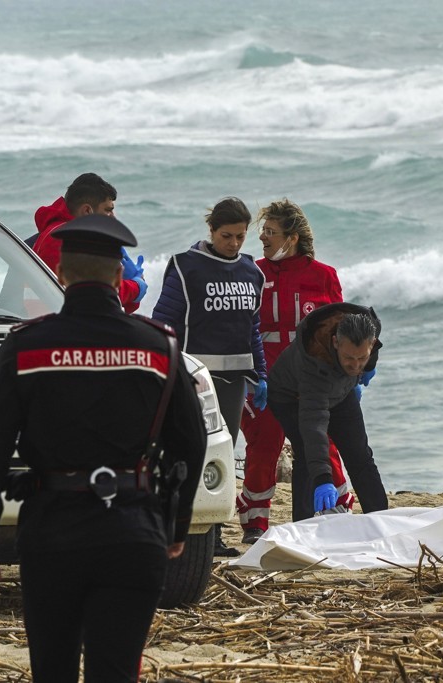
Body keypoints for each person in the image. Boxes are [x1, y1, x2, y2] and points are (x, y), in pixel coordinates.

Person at [0, 214, 207, 683]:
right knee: (115, 672)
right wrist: (175, 524)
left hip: (52, 532)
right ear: (119, 277)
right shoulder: (159, 348)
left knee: (52, 670)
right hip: (134, 532)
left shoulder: (25, 348)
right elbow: (190, 445)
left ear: (61, 274)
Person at [152, 196, 266, 557]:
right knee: (188, 454)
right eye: (226, 236)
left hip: (233, 383)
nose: (233, 244)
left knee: (222, 455)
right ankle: (178, 531)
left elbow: (253, 328)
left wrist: (260, 374)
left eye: (240, 237)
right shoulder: (187, 267)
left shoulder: (253, 273)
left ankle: (212, 536)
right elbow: (164, 321)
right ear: (211, 230)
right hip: (193, 382)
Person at [237, 200, 357, 544]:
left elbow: (341, 329)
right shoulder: (252, 273)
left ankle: (337, 509)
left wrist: (351, 375)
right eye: (263, 231)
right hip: (264, 378)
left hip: (314, 380)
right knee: (264, 444)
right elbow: (241, 326)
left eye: (270, 232)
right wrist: (250, 374)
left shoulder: (323, 276)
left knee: (323, 442)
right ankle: (254, 521)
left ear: (291, 238)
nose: (262, 237)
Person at [267, 302, 389, 521]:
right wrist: (324, 479)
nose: (355, 365)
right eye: (349, 358)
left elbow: (369, 354)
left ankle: (381, 518)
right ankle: (303, 525)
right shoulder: (315, 362)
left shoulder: (370, 330)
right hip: (290, 396)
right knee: (306, 453)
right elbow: (314, 428)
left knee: (359, 454)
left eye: (361, 358)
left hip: (341, 390)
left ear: (372, 344)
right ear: (335, 342)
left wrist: (368, 367)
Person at [33, 172, 148, 313]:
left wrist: (128, 289)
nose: (113, 218)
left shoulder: (57, 232)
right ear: (87, 210)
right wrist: (136, 287)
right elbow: (97, 294)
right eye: (108, 210)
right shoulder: (65, 239)